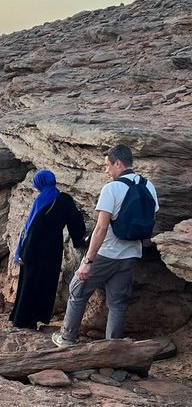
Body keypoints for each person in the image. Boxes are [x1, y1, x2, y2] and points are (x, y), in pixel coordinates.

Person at [52, 144, 158, 347]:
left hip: (107, 253)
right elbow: (151, 218)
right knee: (117, 304)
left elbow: (101, 228)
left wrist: (88, 261)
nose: (106, 169)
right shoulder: (148, 186)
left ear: (118, 163)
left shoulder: (112, 188)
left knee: (77, 291)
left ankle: (67, 338)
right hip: (132, 253)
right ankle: (112, 348)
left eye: (107, 165)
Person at [9, 170, 86, 330]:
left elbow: (32, 231)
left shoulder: (41, 200)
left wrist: (25, 254)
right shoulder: (64, 199)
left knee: (29, 284)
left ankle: (24, 321)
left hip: (34, 250)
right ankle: (39, 317)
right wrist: (79, 241)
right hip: (52, 249)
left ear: (40, 183)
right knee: (46, 283)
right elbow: (76, 221)